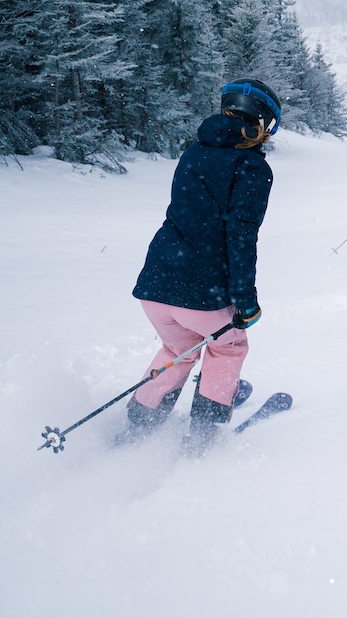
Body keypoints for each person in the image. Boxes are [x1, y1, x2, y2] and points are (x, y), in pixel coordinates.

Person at [118, 78, 279, 453]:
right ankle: (205, 433)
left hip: (157, 282)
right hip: (200, 292)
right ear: (263, 124)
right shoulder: (252, 167)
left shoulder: (193, 152)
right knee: (228, 347)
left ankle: (139, 422)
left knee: (179, 349)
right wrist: (245, 299)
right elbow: (240, 235)